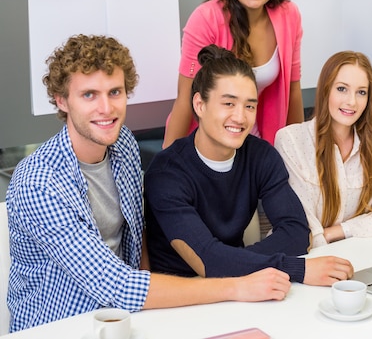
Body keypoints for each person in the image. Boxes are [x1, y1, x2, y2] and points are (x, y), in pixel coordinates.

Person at [5, 35, 295, 333]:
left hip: (126, 315)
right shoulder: (39, 181)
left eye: (115, 92)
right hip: (58, 325)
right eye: (89, 95)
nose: (106, 108)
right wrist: (236, 287)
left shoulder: (123, 144)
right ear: (62, 100)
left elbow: (137, 232)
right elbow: (114, 283)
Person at [144, 44, 353, 286]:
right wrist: (296, 268)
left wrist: (233, 262)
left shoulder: (260, 155)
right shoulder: (166, 173)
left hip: (243, 287)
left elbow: (296, 232)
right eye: (228, 104)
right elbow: (209, 262)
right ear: (200, 104)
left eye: (250, 105)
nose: (241, 117)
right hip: (180, 297)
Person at [163, 0, 304, 148]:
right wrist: (168, 161)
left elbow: (294, 91)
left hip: (260, 144)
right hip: (210, 145)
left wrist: (298, 152)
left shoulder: (289, 15)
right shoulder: (206, 18)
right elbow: (185, 98)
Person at [274, 51, 372, 248]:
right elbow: (303, 226)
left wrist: (336, 232)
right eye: (342, 89)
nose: (352, 101)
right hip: (305, 257)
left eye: (361, 92)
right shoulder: (291, 140)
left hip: (357, 251)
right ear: (326, 90)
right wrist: (328, 241)